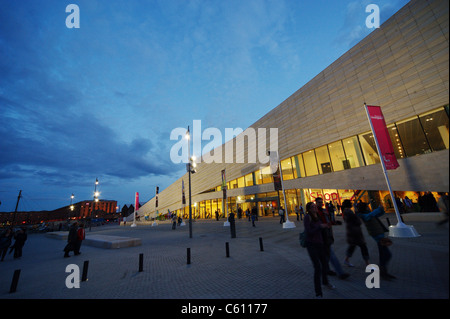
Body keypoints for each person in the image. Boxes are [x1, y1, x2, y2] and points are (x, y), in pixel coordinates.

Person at [303, 202, 335, 298]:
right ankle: (318, 292)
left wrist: (327, 226)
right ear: (309, 209)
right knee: (317, 267)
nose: (315, 208)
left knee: (325, 264)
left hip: (320, 243)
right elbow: (309, 231)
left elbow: (322, 228)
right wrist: (320, 227)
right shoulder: (307, 217)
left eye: (315, 206)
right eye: (312, 207)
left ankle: (325, 282)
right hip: (311, 244)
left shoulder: (319, 216)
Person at [357, 202, 395, 280]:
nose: (368, 207)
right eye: (367, 206)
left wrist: (381, 209)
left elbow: (379, 214)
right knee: (387, 254)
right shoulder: (363, 215)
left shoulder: (369, 213)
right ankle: (383, 272)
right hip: (377, 236)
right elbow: (369, 216)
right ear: (364, 208)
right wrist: (378, 209)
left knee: (383, 255)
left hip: (379, 235)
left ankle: (383, 272)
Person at [315, 197, 349, 279]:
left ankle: (326, 269)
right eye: (319, 202)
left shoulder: (323, 211)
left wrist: (334, 223)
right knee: (331, 255)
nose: (320, 203)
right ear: (316, 203)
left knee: (326, 255)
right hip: (322, 236)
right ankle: (340, 273)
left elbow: (328, 221)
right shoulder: (316, 213)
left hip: (328, 234)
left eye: (321, 202)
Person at [342, 200, 369, 267]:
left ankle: (346, 259)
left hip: (352, 232)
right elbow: (356, 221)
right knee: (363, 246)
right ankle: (367, 263)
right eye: (351, 203)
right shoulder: (349, 212)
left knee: (352, 246)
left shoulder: (346, 212)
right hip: (355, 232)